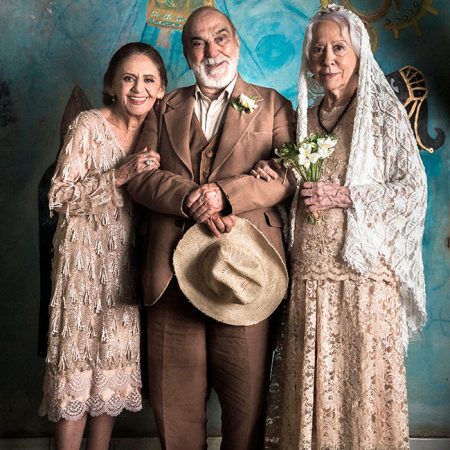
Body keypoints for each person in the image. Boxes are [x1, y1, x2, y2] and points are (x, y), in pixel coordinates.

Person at [259, 4, 427, 449]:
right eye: (318, 50)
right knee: (311, 390)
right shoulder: (306, 117)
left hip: (362, 279)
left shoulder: (380, 114)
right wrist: (274, 174)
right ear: (307, 58)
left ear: (357, 52)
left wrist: (345, 195)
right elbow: (295, 183)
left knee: (358, 391)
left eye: (338, 47)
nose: (327, 59)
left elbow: (412, 190)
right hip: (310, 280)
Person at [127, 6, 295, 450]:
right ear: (186, 52)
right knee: (175, 413)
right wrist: (187, 198)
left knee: (246, 414)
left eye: (220, 38)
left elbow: (288, 174)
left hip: (246, 276)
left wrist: (225, 194)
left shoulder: (274, 104)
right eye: (198, 43)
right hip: (169, 276)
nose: (211, 50)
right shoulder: (162, 107)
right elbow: (140, 175)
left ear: (236, 42)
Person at [39, 42, 167, 450]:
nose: (138, 88)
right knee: (75, 369)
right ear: (111, 84)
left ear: (162, 89)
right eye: (128, 78)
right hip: (80, 264)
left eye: (148, 80)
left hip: (127, 264)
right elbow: (57, 196)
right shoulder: (88, 125)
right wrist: (118, 175)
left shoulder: (159, 133)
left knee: (111, 368)